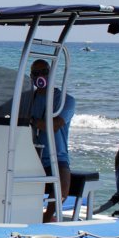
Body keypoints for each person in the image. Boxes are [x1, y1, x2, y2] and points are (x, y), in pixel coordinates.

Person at [29, 59, 76, 222]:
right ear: (31, 77)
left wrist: (32, 121)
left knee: (62, 189)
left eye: (44, 72)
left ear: (51, 74)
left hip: (58, 156)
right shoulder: (28, 99)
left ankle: (46, 218)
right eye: (36, 73)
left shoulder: (66, 100)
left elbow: (55, 125)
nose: (41, 76)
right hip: (33, 156)